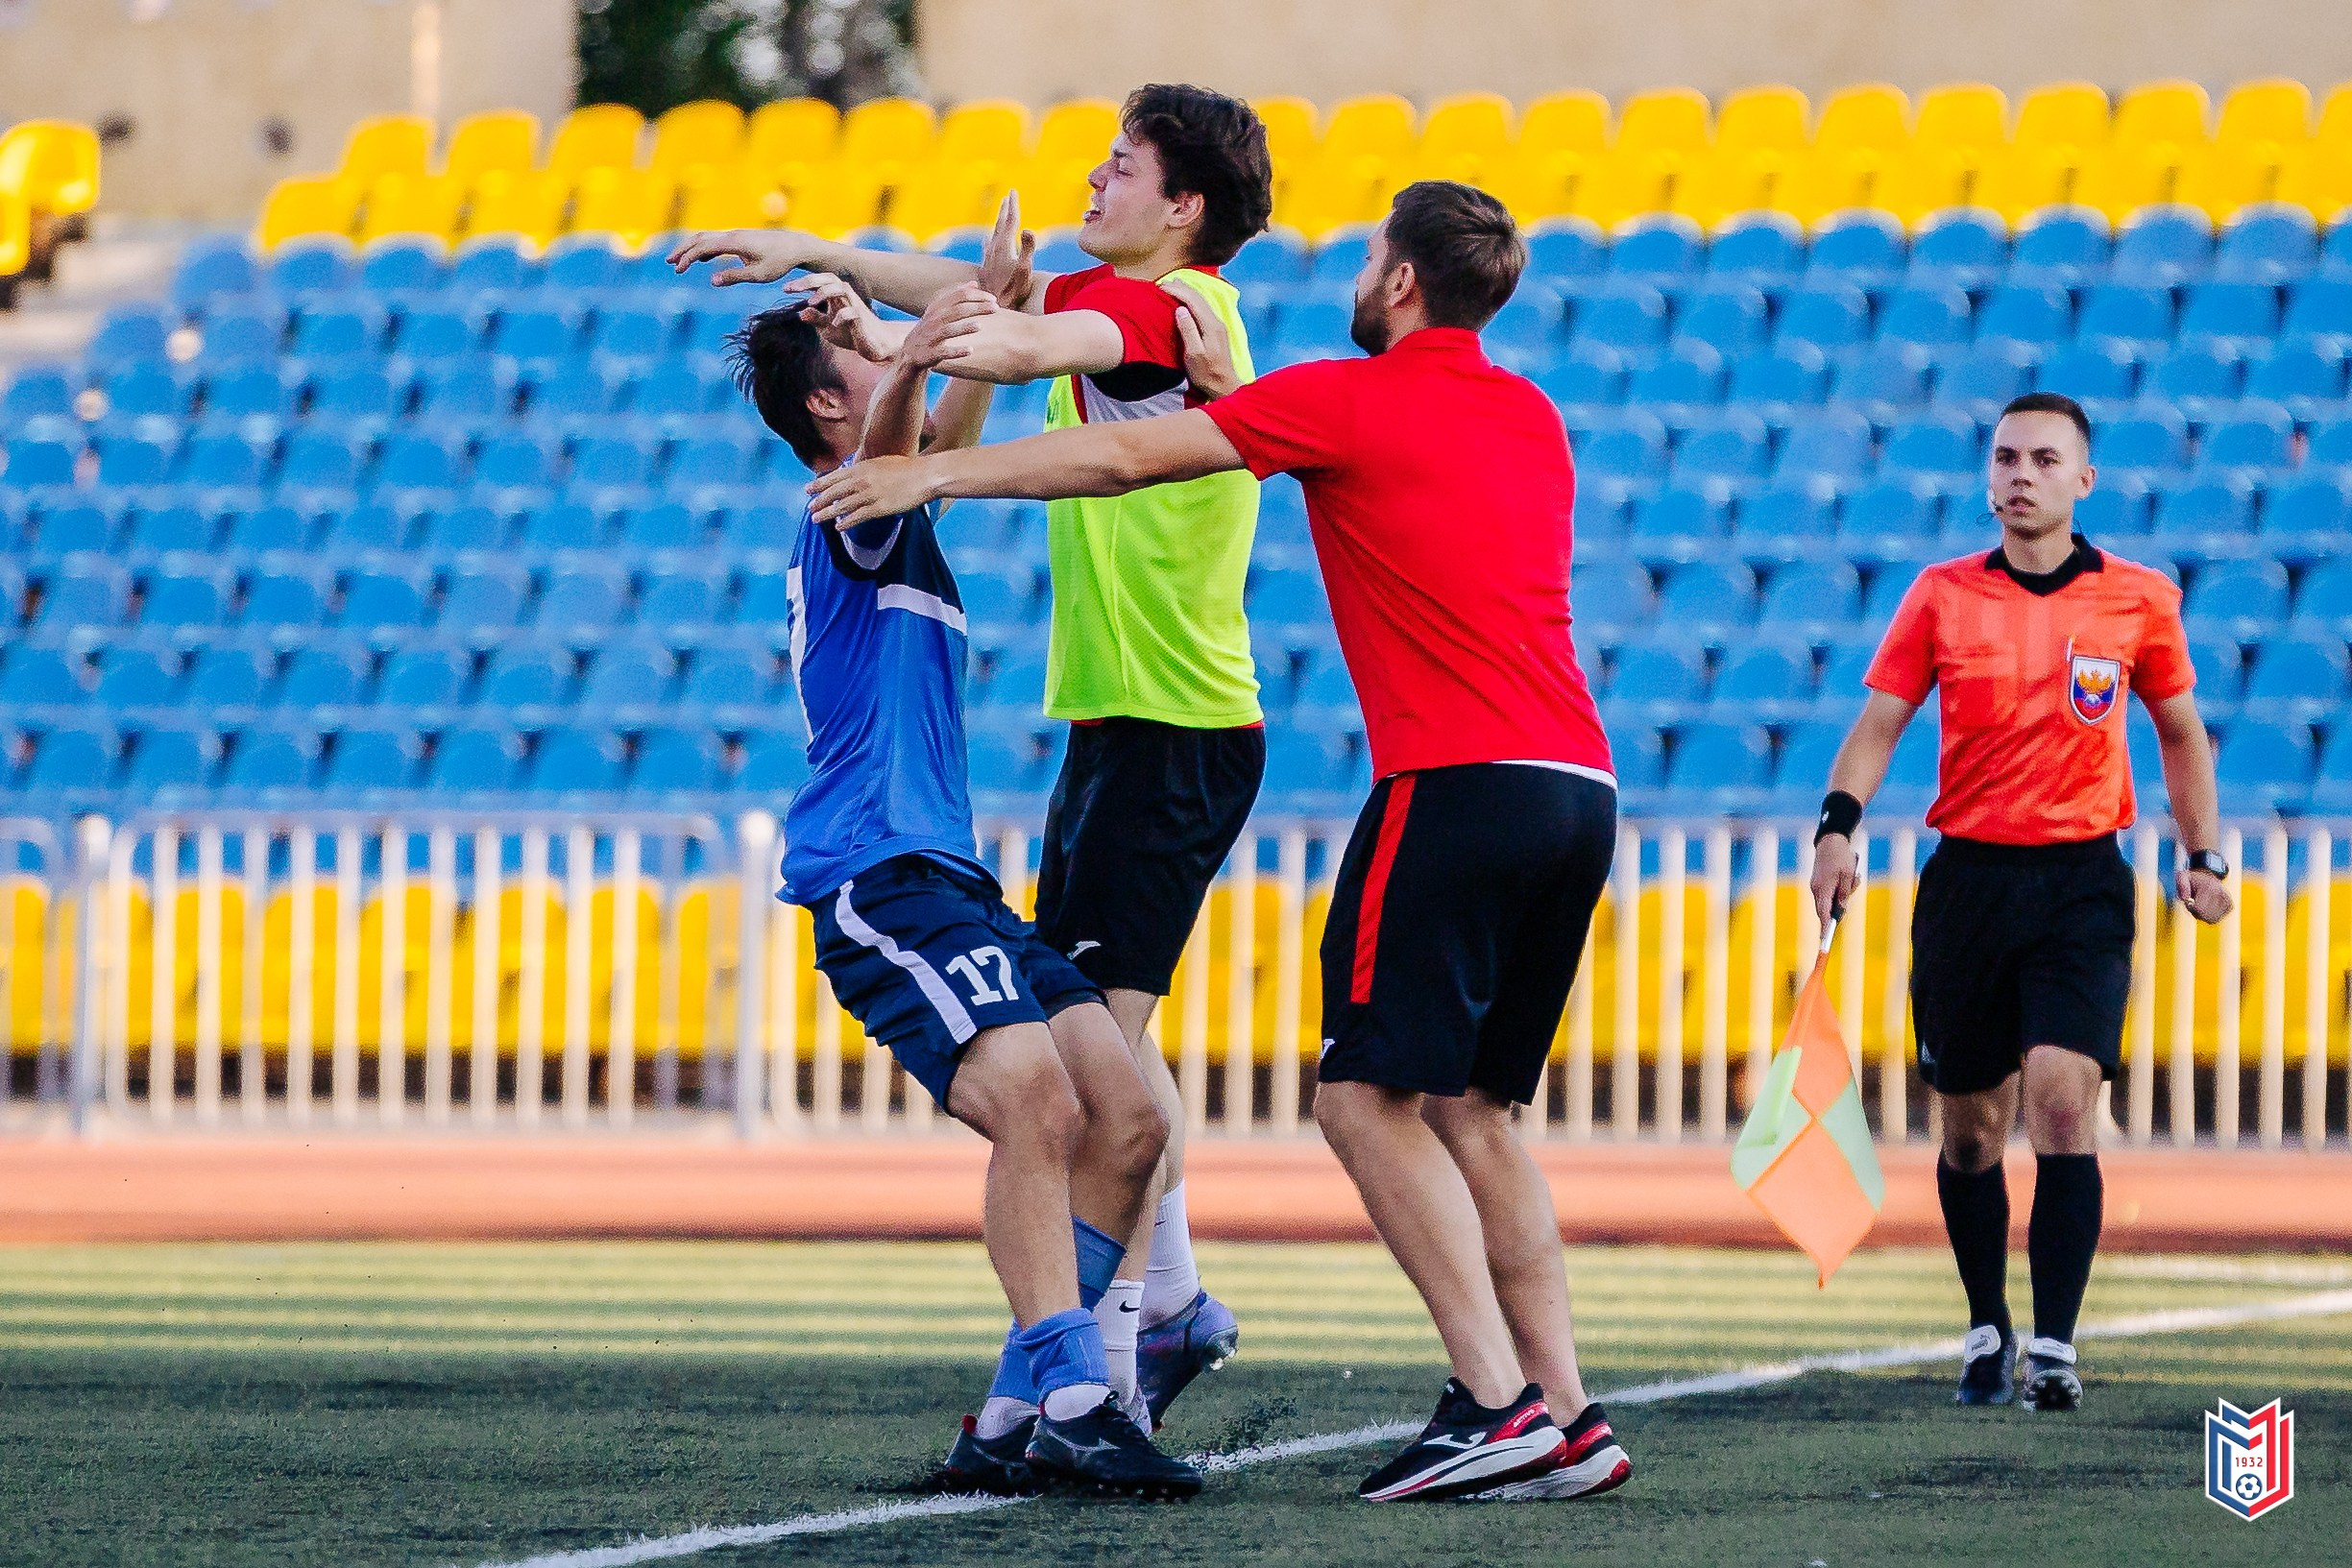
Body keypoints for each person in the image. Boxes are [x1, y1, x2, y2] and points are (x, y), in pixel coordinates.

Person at [804, 180, 1636, 1506]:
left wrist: (936, 469)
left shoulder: (1343, 393)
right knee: (1481, 1113)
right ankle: (1572, 1413)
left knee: (1362, 1101)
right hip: (1578, 786)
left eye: (1371, 261)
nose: (1359, 278)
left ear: (1403, 283)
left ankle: (1494, 1402)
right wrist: (1206, 401)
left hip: (1456, 784)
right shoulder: (1533, 416)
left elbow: (1126, 460)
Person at [672, 84, 1276, 1435]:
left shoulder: (1158, 311)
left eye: (1122, 162)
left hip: (1162, 723)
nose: (1094, 172)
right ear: (840, 416)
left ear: (1182, 207)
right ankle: (1101, 1352)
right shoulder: (857, 499)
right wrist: (867, 296)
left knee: (1101, 1074)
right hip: (1095, 744)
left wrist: (886, 319)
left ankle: (1109, 1352)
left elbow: (981, 358)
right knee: (1089, 1086)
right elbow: (957, 359)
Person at [730, 277, 1200, 1498]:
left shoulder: (898, 492)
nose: (879, 360)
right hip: (878, 874)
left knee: (1130, 1119)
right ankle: (1076, 1391)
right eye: (854, 352)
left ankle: (1011, 1413)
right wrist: (924, 346)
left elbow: (945, 438)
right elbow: (904, 443)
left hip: (946, 876)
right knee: (1036, 1103)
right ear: (833, 399)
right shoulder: (849, 500)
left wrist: (982, 310)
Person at [1808, 392, 2232, 1412]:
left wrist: (2202, 851)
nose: (2019, 475)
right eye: (2004, 457)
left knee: (2058, 1096)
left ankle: (2053, 1342)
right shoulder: (1939, 596)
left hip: (2082, 878)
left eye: (2044, 459)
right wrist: (1835, 826)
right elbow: (1879, 723)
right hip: (1966, 883)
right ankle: (1984, 1321)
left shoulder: (2137, 599)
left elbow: (2179, 731)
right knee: (1966, 1130)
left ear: (2083, 481)